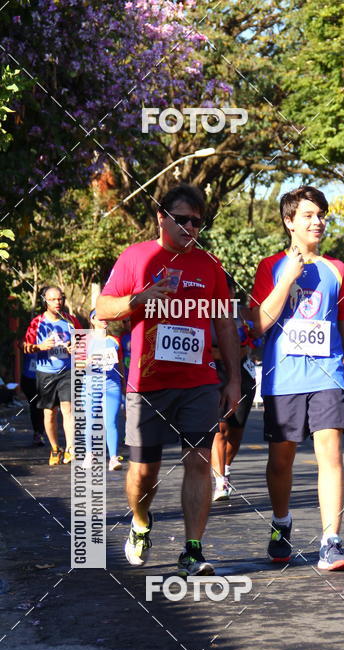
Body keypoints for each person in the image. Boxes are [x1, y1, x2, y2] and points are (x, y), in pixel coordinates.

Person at [96, 183, 240, 575]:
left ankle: (193, 550)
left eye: (197, 221)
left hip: (199, 381)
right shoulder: (136, 257)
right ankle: (141, 522)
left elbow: (225, 325)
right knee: (144, 472)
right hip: (148, 385)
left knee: (198, 460)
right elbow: (103, 308)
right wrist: (137, 299)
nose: (190, 227)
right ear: (162, 217)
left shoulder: (210, 265)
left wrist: (233, 379)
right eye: (182, 219)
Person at [251, 184, 344, 571]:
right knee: (281, 460)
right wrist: (287, 279)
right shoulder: (269, 266)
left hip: (328, 376)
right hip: (282, 379)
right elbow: (258, 324)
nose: (317, 221)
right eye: (308, 215)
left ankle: (331, 542)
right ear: (289, 222)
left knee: (330, 456)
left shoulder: (337, 270)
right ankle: (281, 523)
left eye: (321, 214)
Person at [24, 286, 80, 465]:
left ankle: (71, 448)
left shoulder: (70, 320)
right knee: (49, 413)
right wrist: (40, 347)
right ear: (45, 301)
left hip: (66, 371)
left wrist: (75, 347)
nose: (58, 302)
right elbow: (24, 346)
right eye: (53, 299)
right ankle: (55, 448)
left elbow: (83, 340)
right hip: (45, 373)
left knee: (68, 410)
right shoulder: (37, 322)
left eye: (60, 299)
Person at [211, 303, 259, 501]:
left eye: (229, 293)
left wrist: (247, 346)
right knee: (220, 430)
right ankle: (220, 481)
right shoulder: (205, 315)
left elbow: (255, 340)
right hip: (216, 374)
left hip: (244, 376)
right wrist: (226, 354)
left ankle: (225, 469)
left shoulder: (241, 317)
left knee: (236, 433)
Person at [85, 310, 125, 470]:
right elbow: (76, 366)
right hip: (91, 384)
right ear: (92, 320)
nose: (104, 320)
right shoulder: (85, 340)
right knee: (90, 420)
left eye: (106, 317)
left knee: (111, 421)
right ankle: (90, 454)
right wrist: (89, 360)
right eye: (100, 318)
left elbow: (120, 363)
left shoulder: (114, 341)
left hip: (111, 384)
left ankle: (113, 458)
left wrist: (123, 383)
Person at [19, 342, 44, 445]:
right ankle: (38, 433)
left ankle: (40, 433)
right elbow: (20, 345)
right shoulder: (27, 338)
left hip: (46, 378)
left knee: (44, 407)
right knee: (35, 406)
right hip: (29, 379)